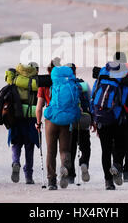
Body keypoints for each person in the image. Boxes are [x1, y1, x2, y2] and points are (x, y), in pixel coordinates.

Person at [90, 61, 128, 190]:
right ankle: (117, 165)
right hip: (116, 120)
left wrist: (94, 118)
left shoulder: (100, 80)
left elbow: (93, 99)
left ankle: (108, 182)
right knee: (121, 146)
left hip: (101, 119)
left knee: (106, 150)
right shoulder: (122, 82)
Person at [35, 58, 81, 190]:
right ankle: (64, 168)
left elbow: (39, 107)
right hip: (67, 120)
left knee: (51, 151)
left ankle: (51, 181)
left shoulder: (44, 84)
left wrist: (38, 123)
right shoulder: (69, 82)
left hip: (51, 120)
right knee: (65, 150)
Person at [5, 63, 39, 184]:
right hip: (31, 117)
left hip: (16, 117)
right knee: (29, 147)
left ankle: (15, 162)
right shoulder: (36, 81)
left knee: (16, 143)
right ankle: (28, 176)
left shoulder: (14, 79)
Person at [65, 63, 94, 184]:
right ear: (75, 72)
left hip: (69, 122)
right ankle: (84, 163)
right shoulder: (84, 85)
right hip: (83, 120)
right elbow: (91, 102)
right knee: (85, 146)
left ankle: (71, 175)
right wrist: (93, 120)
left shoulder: (63, 86)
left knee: (70, 148)